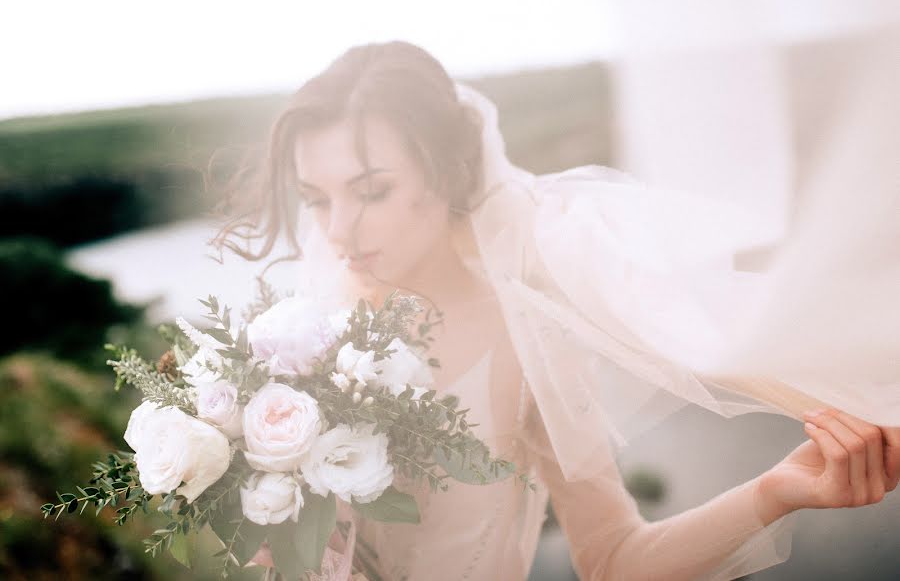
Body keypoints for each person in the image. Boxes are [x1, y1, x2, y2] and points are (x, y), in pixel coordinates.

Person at [212, 40, 900, 580]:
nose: (338, 230)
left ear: (445, 171)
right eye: (317, 197)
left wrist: (776, 492)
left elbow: (615, 560)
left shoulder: (524, 335)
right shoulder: (294, 342)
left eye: (371, 190)